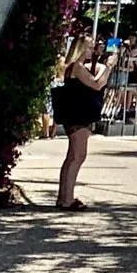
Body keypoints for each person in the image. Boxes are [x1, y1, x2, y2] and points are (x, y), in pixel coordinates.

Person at [50, 38, 111, 210]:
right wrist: (109, 66)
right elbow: (97, 84)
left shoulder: (75, 67)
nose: (92, 51)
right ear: (81, 49)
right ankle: (67, 199)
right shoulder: (76, 67)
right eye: (90, 48)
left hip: (75, 115)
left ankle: (64, 197)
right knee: (78, 155)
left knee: (72, 157)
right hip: (77, 116)